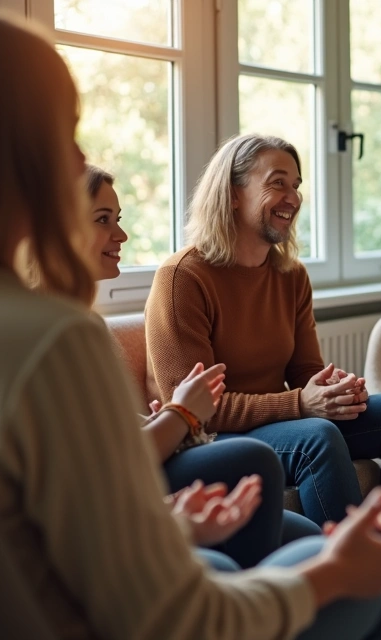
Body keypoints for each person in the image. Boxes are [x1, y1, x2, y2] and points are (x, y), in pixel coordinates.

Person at [0, 9, 381, 639]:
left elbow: (24, 531)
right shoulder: (47, 340)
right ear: (5, 151)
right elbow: (178, 619)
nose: (77, 156)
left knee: (239, 550)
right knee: (355, 577)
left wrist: (168, 527)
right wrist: (336, 574)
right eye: (63, 131)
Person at [144, 133, 381, 623]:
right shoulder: (182, 278)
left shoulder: (290, 275)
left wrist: (337, 388)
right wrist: (301, 404)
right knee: (317, 436)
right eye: (278, 184)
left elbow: (304, 371)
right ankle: (352, 591)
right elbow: (190, 407)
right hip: (213, 436)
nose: (293, 198)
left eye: (296, 185)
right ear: (232, 193)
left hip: (281, 417)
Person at [85, 164, 321, 569]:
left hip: (159, 448)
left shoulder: (85, 322)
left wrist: (159, 420)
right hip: (112, 492)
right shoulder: (180, 277)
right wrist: (181, 415)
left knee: (314, 539)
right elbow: (102, 461)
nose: (121, 235)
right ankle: (257, 609)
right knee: (287, 450)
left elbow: (104, 429)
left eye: (118, 220)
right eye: (103, 220)